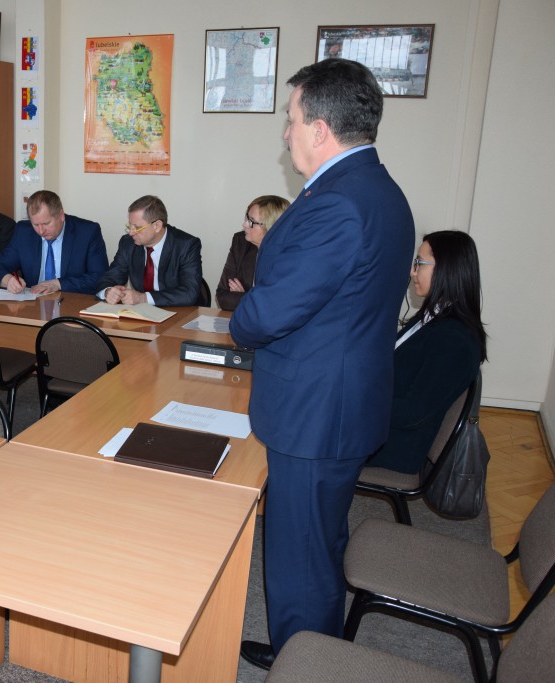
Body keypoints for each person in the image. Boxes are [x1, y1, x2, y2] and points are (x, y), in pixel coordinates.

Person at [230, 58, 414, 668]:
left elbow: (271, 309)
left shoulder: (339, 203)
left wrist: (241, 316)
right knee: (316, 541)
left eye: (291, 119)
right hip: (334, 398)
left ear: (319, 128)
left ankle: (303, 665)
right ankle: (310, 647)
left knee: (300, 551)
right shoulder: (374, 189)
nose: (286, 133)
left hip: (316, 411)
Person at [366, 231, 487, 473]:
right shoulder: (433, 316)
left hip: (392, 445)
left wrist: (355, 402)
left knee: (302, 425)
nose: (412, 272)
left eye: (419, 263)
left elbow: (413, 412)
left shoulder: (453, 339)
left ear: (446, 269)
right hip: (378, 425)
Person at [0, 190, 108, 295]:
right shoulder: (24, 232)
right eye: (36, 224)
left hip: (72, 302)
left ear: (61, 216)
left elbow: (100, 277)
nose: (41, 231)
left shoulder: (87, 232)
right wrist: (8, 280)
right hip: (34, 304)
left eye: (46, 223)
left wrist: (58, 284)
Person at [95, 195, 203, 307]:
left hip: (182, 311)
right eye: (130, 226)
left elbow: (189, 293)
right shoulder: (128, 243)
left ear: (157, 226)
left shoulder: (186, 245)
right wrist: (108, 291)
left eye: (137, 227)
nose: (131, 232)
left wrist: (143, 298)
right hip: (143, 312)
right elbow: (109, 278)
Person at [214, 195, 290, 311]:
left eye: (251, 221)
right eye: (247, 218)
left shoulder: (289, 254)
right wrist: (252, 298)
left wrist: (246, 297)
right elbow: (222, 297)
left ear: (271, 227)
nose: (244, 224)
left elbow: (277, 304)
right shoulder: (240, 243)